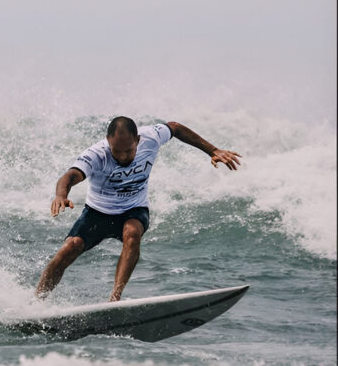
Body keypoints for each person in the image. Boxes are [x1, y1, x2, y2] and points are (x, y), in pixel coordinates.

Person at [35, 117, 242, 302]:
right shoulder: (96, 154)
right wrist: (61, 195)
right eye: (117, 151)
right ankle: (38, 301)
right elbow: (70, 176)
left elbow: (176, 128)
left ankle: (114, 299)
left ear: (138, 140)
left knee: (132, 233)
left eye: (129, 150)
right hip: (98, 211)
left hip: (134, 208)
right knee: (70, 247)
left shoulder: (151, 137)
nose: (124, 156)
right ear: (108, 141)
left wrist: (213, 150)